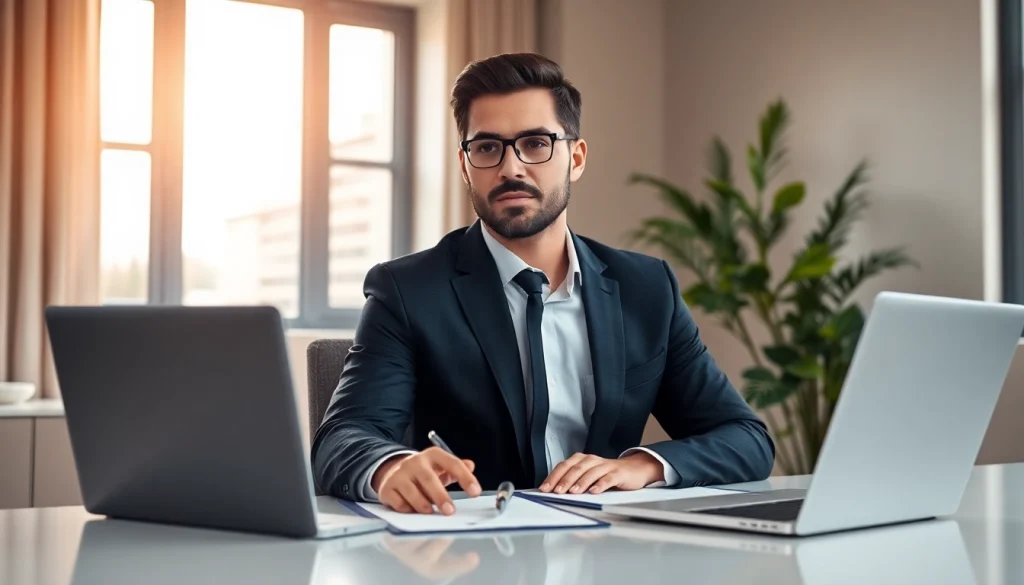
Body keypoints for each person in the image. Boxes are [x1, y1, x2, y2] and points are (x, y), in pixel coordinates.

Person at [311, 52, 775, 515]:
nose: (511, 168)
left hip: (609, 552)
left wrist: (643, 465)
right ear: (465, 163)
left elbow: (745, 438)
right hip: (468, 552)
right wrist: (390, 467)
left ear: (576, 157)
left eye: (535, 143)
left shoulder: (647, 288)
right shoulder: (407, 290)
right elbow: (342, 438)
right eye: (488, 147)